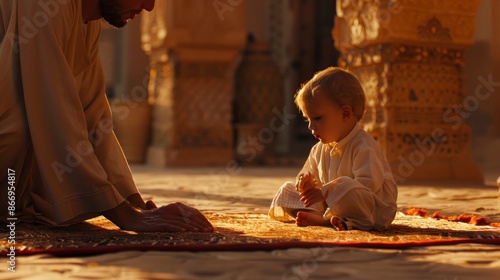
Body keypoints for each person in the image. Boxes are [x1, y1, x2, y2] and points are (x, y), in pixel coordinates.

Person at [0, 0, 213, 232]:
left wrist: (134, 204)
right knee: (20, 125)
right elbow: (53, 110)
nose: (150, 6)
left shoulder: (86, 21)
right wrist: (126, 217)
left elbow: (93, 114)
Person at [268, 67, 398, 231]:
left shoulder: (364, 145)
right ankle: (326, 219)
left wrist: (326, 191)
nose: (310, 126)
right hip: (331, 205)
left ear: (345, 114)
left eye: (317, 118)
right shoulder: (319, 149)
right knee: (287, 189)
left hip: (370, 209)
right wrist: (304, 183)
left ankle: (327, 220)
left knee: (347, 187)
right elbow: (310, 175)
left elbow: (368, 186)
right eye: (308, 119)